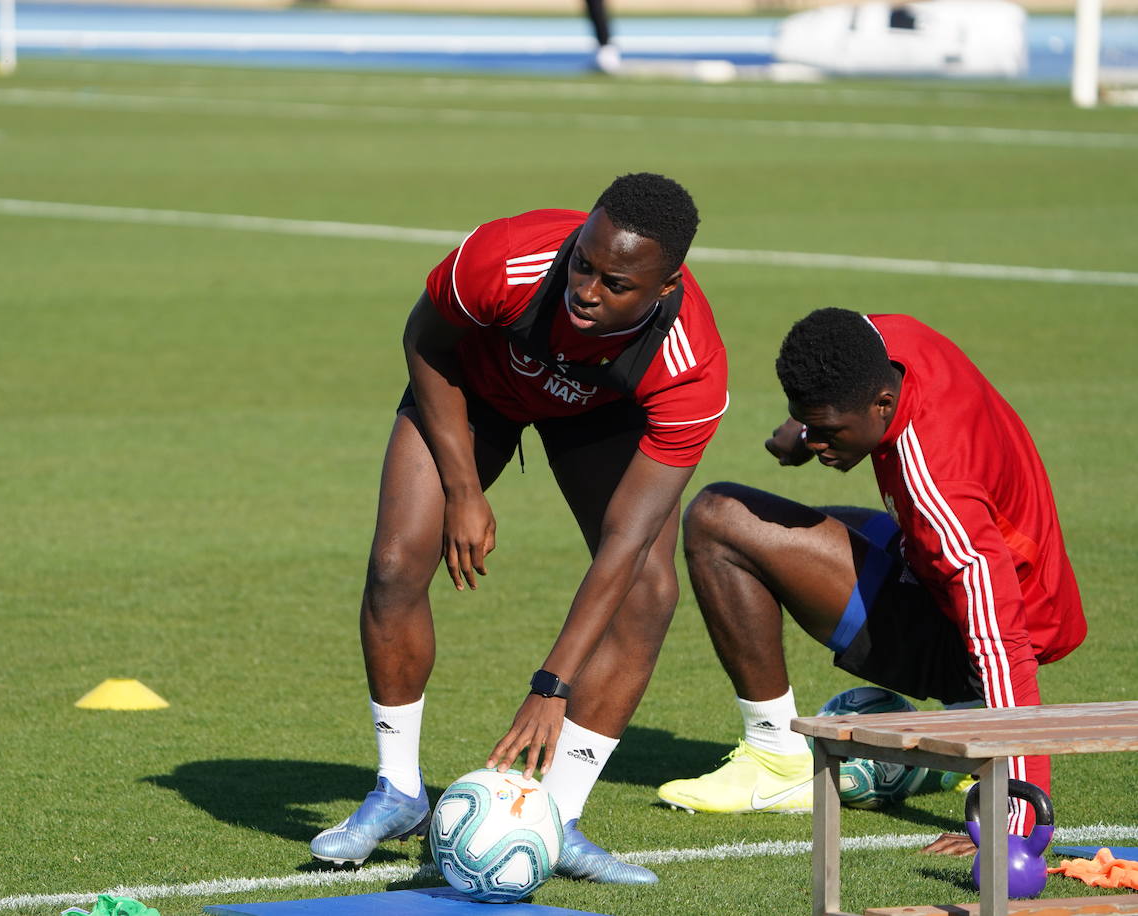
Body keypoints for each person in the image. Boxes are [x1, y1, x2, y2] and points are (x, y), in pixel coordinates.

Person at [310, 173, 728, 883]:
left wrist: (552, 684)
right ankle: (398, 789)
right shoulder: (508, 257)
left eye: (614, 283)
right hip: (472, 389)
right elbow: (426, 341)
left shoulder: (690, 372)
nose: (586, 289)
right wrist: (464, 489)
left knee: (650, 592)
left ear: (663, 289)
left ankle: (560, 819)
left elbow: (626, 544)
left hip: (601, 416)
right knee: (394, 563)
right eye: (584, 263)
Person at [656, 308, 1086, 846]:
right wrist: (806, 427)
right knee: (808, 527)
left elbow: (1004, 646)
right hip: (966, 571)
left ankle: (776, 760)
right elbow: (848, 334)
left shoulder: (940, 487)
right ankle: (967, 723)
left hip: (981, 633)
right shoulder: (889, 343)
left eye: (829, 430)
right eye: (809, 425)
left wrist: (1013, 827)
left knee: (718, 520)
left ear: (882, 404)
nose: (817, 442)